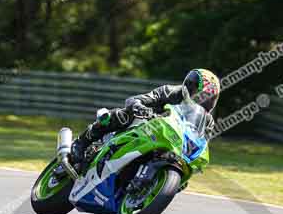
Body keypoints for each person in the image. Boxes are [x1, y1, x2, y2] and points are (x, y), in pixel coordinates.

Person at [69, 69, 221, 168]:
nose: (203, 100)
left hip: (169, 144)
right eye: (202, 95)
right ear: (190, 87)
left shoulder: (207, 122)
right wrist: (140, 107)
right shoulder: (171, 92)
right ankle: (82, 141)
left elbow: (201, 146)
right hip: (145, 125)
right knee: (123, 115)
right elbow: (135, 99)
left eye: (209, 98)